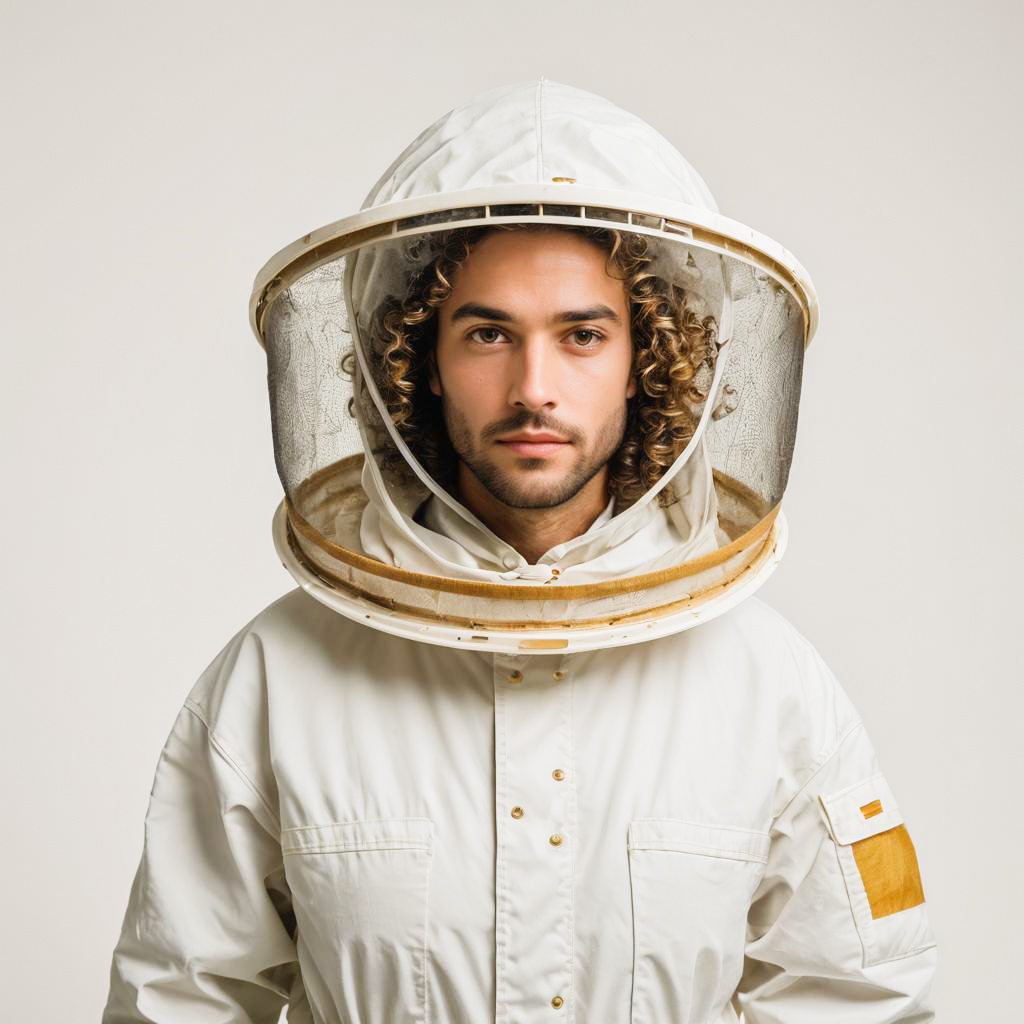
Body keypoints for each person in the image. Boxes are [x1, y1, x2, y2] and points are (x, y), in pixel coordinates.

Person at [103, 80, 937, 1023]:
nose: (533, 387)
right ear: (414, 357)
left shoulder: (774, 687)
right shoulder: (274, 678)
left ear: (645, 360)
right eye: (488, 333)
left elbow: (862, 998)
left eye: (582, 335)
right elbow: (178, 1003)